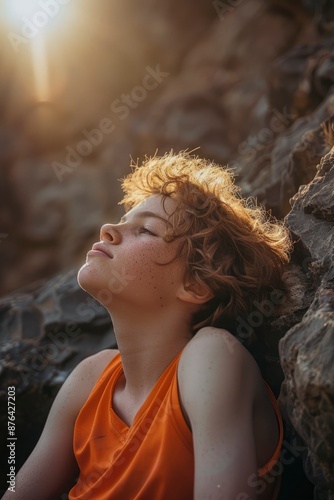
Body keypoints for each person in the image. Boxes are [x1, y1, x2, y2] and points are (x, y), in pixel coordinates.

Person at [3, 151, 291, 499]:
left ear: (196, 285)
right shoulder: (90, 377)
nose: (108, 229)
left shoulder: (211, 356)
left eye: (145, 229)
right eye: (123, 219)